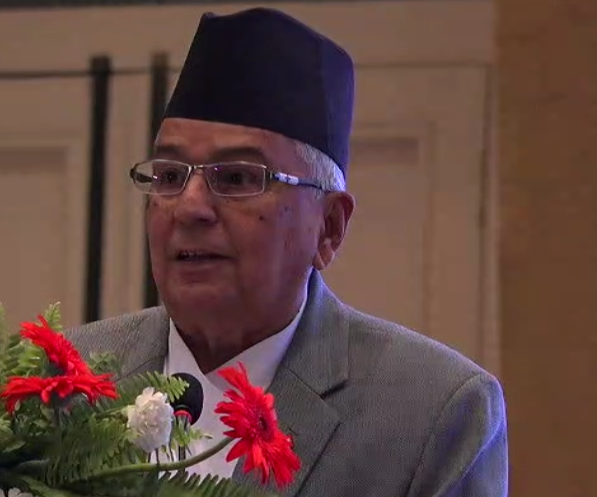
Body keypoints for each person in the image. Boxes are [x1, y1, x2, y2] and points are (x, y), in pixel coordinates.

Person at [66, 7, 508, 497]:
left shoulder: (434, 411)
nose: (189, 207)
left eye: (237, 177)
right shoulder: (64, 380)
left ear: (329, 227)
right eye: (170, 176)